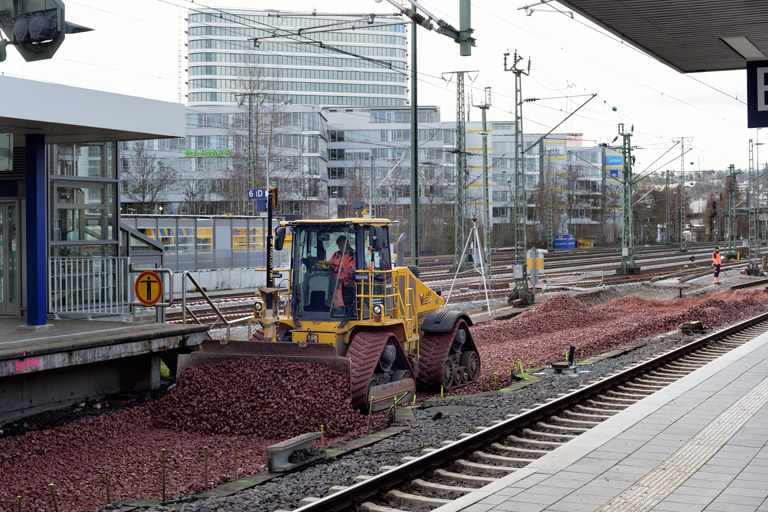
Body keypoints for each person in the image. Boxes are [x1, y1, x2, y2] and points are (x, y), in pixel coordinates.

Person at [329, 235, 356, 315]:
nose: (339, 247)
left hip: (348, 281)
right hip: (335, 280)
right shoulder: (336, 254)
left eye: (340, 245)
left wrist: (344, 270)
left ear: (346, 244)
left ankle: (344, 310)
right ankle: (335, 310)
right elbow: (330, 265)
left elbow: (354, 269)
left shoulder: (353, 254)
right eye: (338, 245)